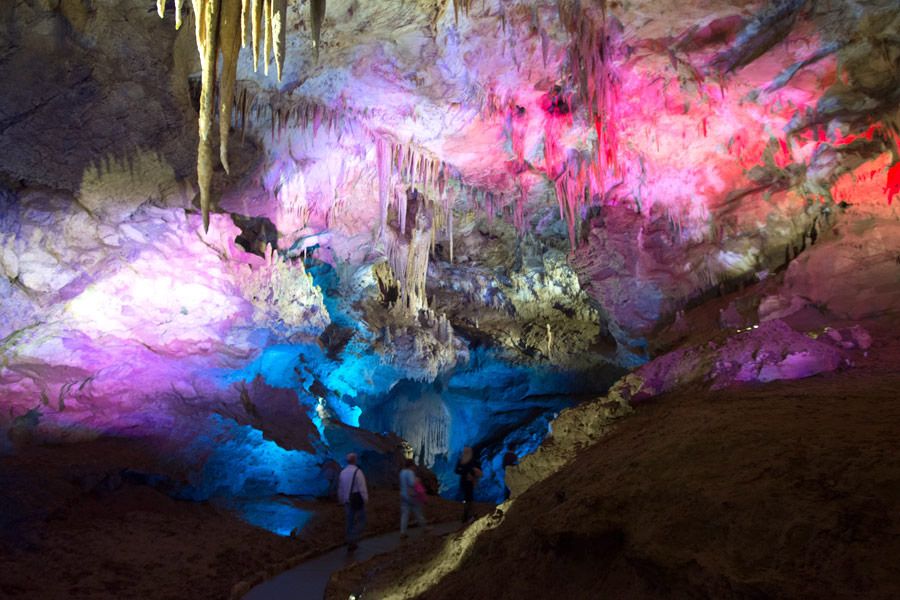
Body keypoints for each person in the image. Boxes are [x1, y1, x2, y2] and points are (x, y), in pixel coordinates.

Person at [337, 453, 368, 551]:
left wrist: (341, 499)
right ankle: (352, 537)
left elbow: (340, 488)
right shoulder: (358, 472)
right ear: (355, 460)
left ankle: (350, 543)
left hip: (347, 501)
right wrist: (365, 499)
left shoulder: (343, 472)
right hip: (357, 500)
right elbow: (362, 487)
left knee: (349, 521)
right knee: (362, 520)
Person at [399, 458, 429, 538]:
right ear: (411, 465)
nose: (414, 467)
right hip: (411, 496)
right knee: (418, 512)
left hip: (403, 495)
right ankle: (424, 527)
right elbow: (412, 483)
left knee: (405, 514)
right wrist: (417, 480)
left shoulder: (401, 472)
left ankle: (402, 532)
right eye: (413, 465)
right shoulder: (410, 472)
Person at [455, 446, 482, 523]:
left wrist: (463, 473)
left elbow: (456, 471)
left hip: (463, 481)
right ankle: (466, 517)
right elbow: (473, 472)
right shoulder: (471, 461)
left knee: (468, 499)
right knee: (469, 500)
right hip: (469, 482)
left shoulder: (461, 461)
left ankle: (469, 515)